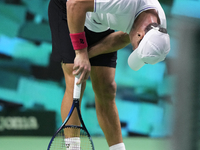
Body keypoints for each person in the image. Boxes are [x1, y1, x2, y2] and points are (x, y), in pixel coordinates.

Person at [48, 0, 170, 149]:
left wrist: (88, 54)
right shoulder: (125, 3)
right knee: (76, 79)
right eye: (136, 49)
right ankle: (73, 147)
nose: (133, 49)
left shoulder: (159, 29)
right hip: (69, 10)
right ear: (140, 34)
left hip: (99, 20)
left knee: (107, 87)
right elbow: (75, 4)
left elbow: (120, 38)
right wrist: (80, 52)